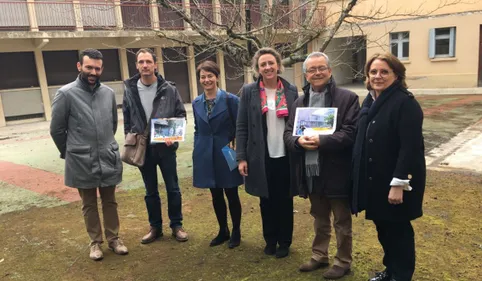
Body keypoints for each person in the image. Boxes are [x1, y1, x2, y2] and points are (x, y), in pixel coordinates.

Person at [284, 52, 360, 279]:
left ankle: (343, 261)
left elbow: (351, 133)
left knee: (341, 220)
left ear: (330, 71)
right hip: (311, 171)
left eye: (321, 68)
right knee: (319, 217)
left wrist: (322, 141)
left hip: (337, 170)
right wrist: (298, 141)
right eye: (311, 70)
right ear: (305, 75)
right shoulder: (299, 103)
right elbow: (288, 134)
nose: (316, 73)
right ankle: (319, 255)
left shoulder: (347, 99)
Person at [352, 53, 426, 281]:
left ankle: (401, 275)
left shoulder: (406, 103)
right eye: (373, 71)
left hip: (395, 181)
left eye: (384, 71)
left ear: (397, 75)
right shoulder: (371, 100)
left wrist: (399, 183)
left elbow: (410, 148)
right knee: (384, 228)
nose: (378, 76)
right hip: (375, 179)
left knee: (398, 231)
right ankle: (390, 270)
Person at [50, 48, 128, 261]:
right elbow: (56, 129)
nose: (93, 71)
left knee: (110, 200)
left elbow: (112, 124)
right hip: (81, 159)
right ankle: (95, 242)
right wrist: (70, 151)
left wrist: (104, 144)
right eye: (89, 67)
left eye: (97, 68)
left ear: (102, 68)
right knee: (89, 203)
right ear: (79, 67)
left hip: (107, 155)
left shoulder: (108, 94)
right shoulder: (65, 94)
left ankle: (114, 239)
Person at [236, 47, 299, 258]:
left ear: (278, 65)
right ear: (257, 69)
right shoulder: (248, 91)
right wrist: (241, 157)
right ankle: (270, 240)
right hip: (260, 156)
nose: (267, 67)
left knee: (285, 199)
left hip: (285, 154)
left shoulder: (291, 90)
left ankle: (285, 242)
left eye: (271, 63)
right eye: (263, 64)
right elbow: (242, 126)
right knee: (266, 200)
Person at [122, 48, 188, 244]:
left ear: (155, 65)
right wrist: (131, 136)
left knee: (173, 188)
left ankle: (176, 225)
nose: (145, 65)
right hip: (143, 149)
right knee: (150, 191)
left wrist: (173, 136)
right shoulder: (130, 90)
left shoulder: (169, 88)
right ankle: (155, 227)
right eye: (141, 62)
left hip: (165, 148)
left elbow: (180, 115)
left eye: (148, 62)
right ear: (136, 66)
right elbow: (127, 117)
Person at [192, 61, 244, 248]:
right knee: (215, 194)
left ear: (217, 77)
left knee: (231, 192)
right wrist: (198, 148)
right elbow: (198, 128)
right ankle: (223, 230)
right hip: (206, 153)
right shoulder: (196, 102)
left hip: (227, 152)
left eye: (210, 76)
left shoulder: (231, 100)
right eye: (203, 77)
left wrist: (239, 152)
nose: (207, 80)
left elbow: (240, 128)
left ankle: (236, 230)